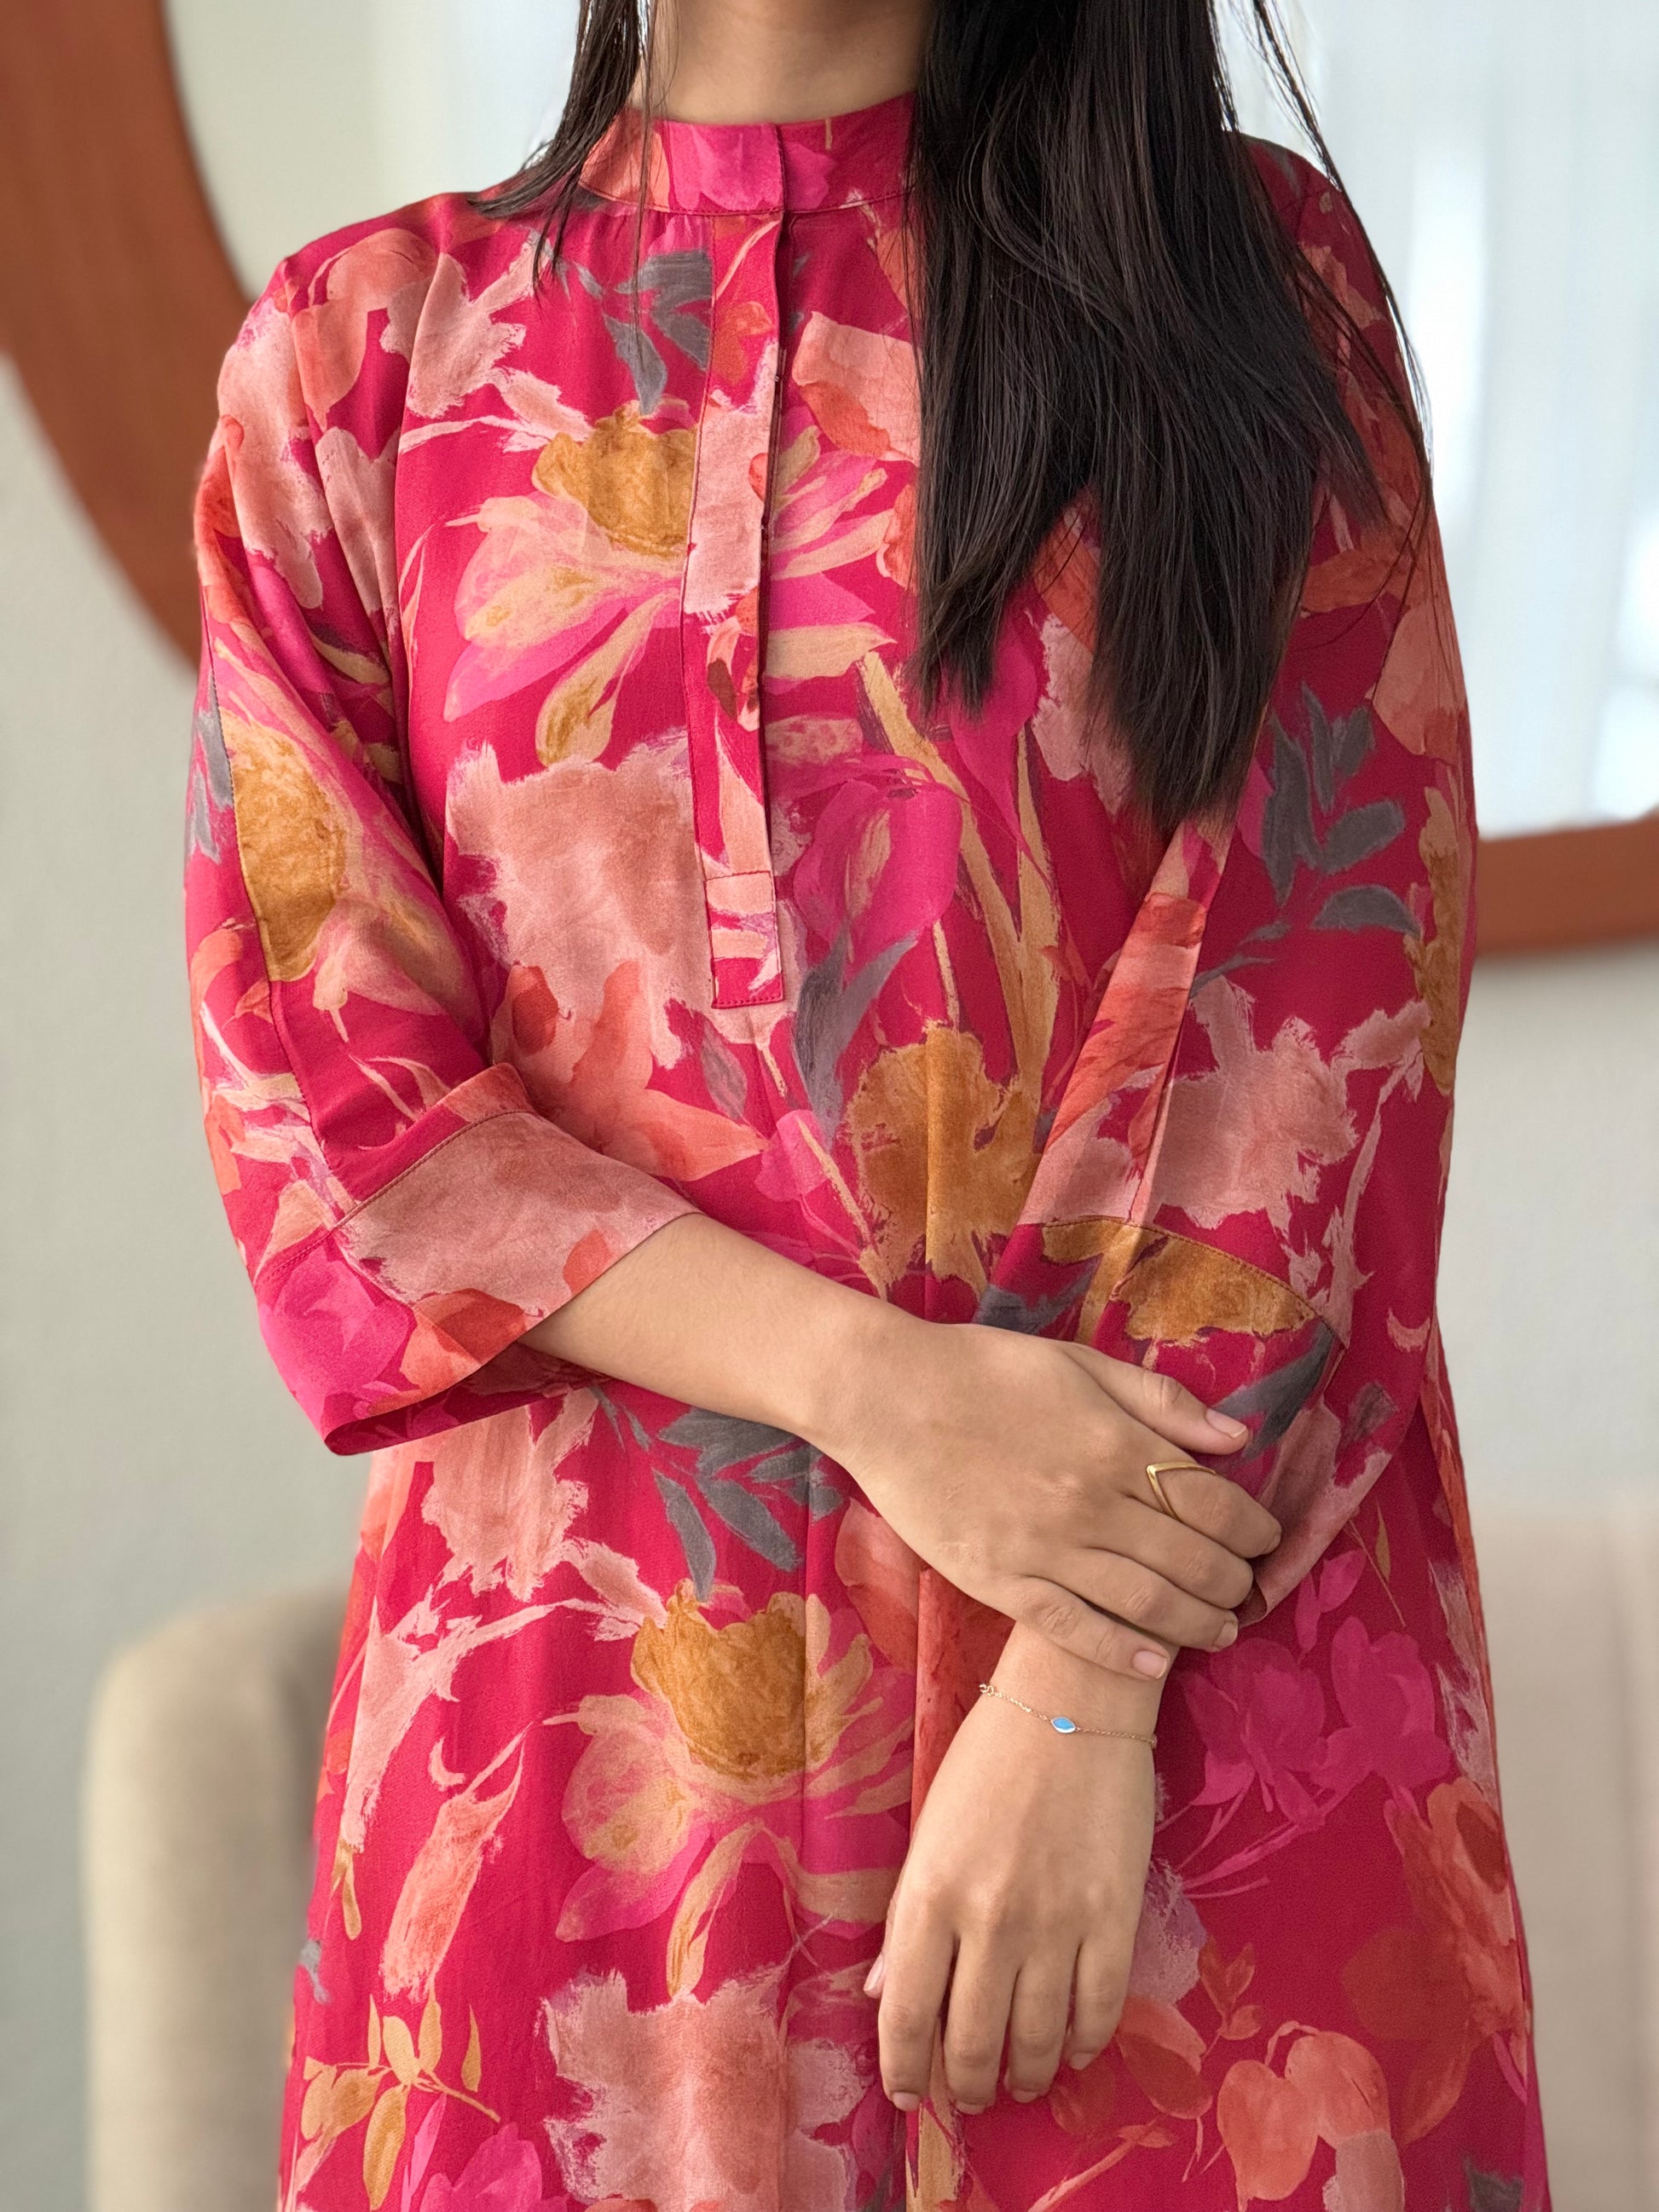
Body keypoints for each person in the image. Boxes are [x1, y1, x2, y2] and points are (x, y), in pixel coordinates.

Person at [182, 0, 1551, 2203]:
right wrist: (874, 1388)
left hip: (1178, 1745)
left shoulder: (1246, 296)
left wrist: (1084, 1683)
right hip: (581, 1774)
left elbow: (1317, 1023)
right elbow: (331, 1093)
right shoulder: (360, 369)